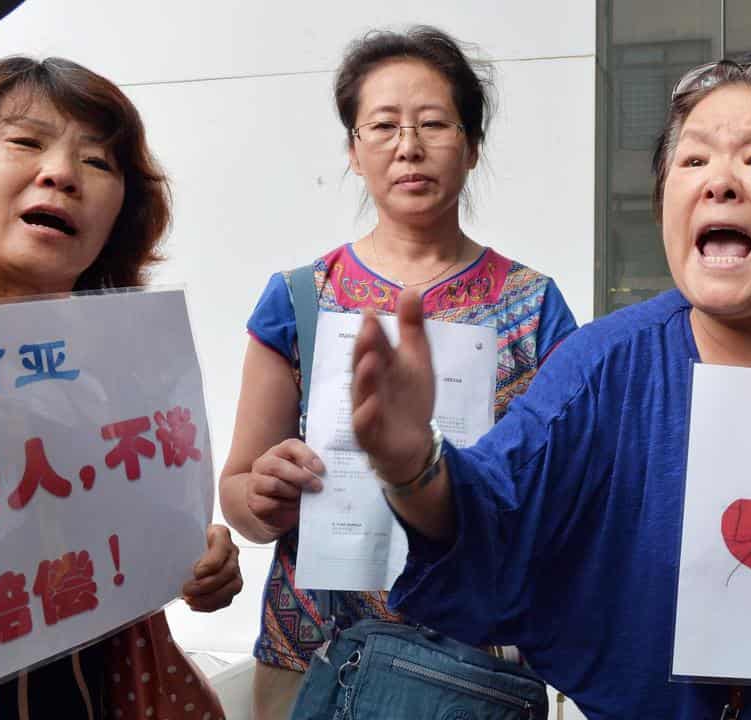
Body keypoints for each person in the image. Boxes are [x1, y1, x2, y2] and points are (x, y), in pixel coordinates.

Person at [347, 54, 751, 719]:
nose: (720, 183)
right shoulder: (603, 366)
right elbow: (492, 514)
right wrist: (414, 465)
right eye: (693, 162)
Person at [217, 27, 577, 719]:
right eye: (382, 126)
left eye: (434, 123)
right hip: (313, 658)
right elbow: (240, 499)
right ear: (353, 151)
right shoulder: (298, 299)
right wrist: (263, 495)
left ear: (472, 147)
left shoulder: (534, 306)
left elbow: (563, 502)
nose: (408, 145)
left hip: (472, 669)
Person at [0, 55, 242, 719]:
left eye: (98, 162)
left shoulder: (114, 373)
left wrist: (196, 558)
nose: (60, 173)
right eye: (25, 141)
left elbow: (137, 540)